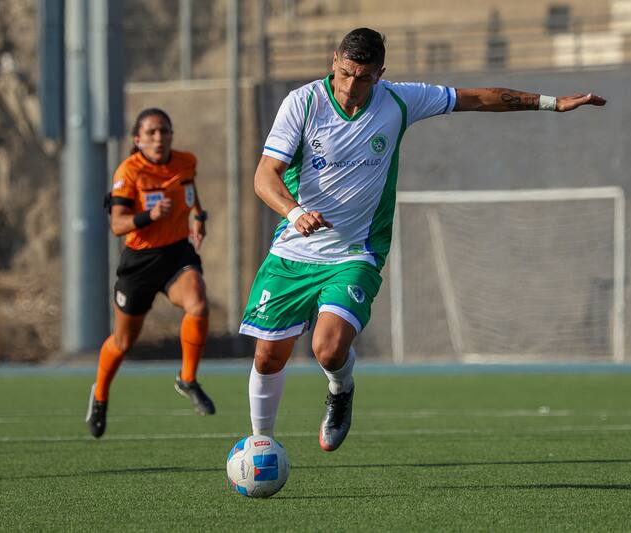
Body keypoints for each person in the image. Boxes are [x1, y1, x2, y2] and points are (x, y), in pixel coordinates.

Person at [239, 27, 607, 451]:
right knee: (268, 355)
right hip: (293, 249)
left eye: (364, 78)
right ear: (334, 61)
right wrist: (295, 213)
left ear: (380, 74)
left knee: (328, 348)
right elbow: (264, 176)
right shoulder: (302, 103)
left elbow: (477, 98)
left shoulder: (399, 100)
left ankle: (341, 389)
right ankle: (261, 447)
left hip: (356, 252)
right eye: (345, 74)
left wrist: (551, 103)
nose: (352, 87)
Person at [86, 108, 214, 438]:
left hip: (176, 254)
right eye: (151, 132)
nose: (159, 138)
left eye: (164, 131)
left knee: (198, 304)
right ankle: (100, 396)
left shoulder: (185, 161)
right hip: (140, 263)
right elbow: (117, 224)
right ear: (138, 139)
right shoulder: (129, 171)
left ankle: (188, 379)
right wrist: (149, 216)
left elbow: (190, 190)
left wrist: (199, 217)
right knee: (123, 341)